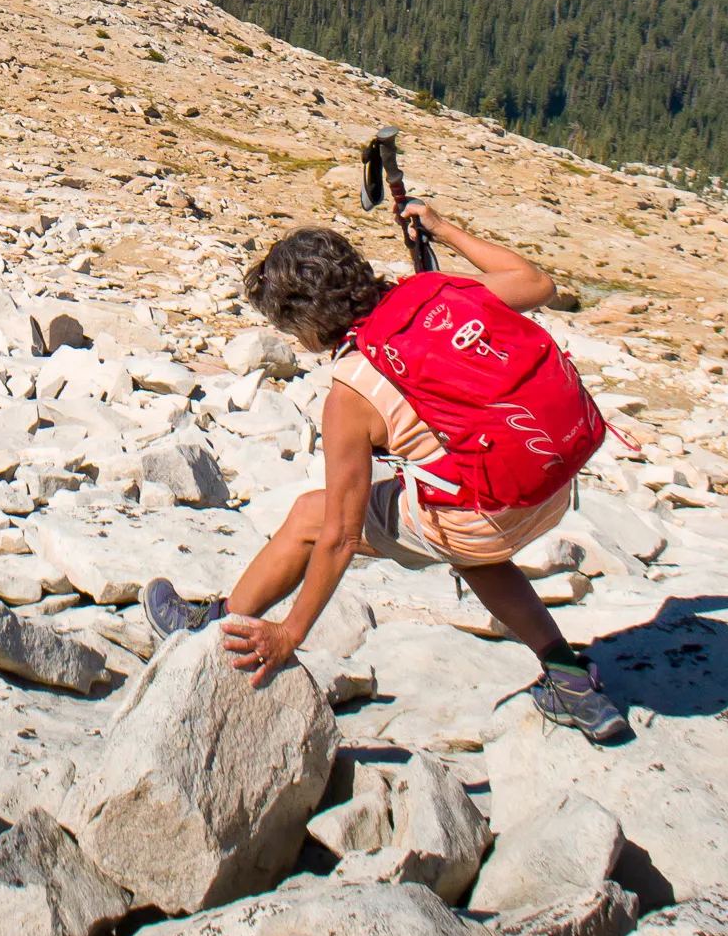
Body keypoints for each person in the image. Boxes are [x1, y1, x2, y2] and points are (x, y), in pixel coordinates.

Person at [143, 208, 633, 743]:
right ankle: (569, 678)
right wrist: (443, 229)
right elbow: (538, 283)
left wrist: (290, 633)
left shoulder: (353, 390)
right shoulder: (437, 292)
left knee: (311, 514)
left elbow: (341, 535)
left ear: (308, 324)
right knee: (463, 532)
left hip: (486, 515)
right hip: (552, 478)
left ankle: (212, 628)